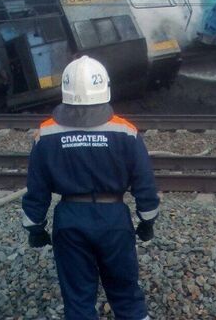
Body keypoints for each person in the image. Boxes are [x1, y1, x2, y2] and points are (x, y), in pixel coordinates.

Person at [21, 55, 159, 320]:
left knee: (78, 299)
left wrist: (35, 228)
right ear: (104, 87)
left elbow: (36, 189)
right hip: (114, 220)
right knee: (126, 293)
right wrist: (147, 221)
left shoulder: (46, 133)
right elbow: (145, 183)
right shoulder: (126, 131)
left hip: (70, 222)